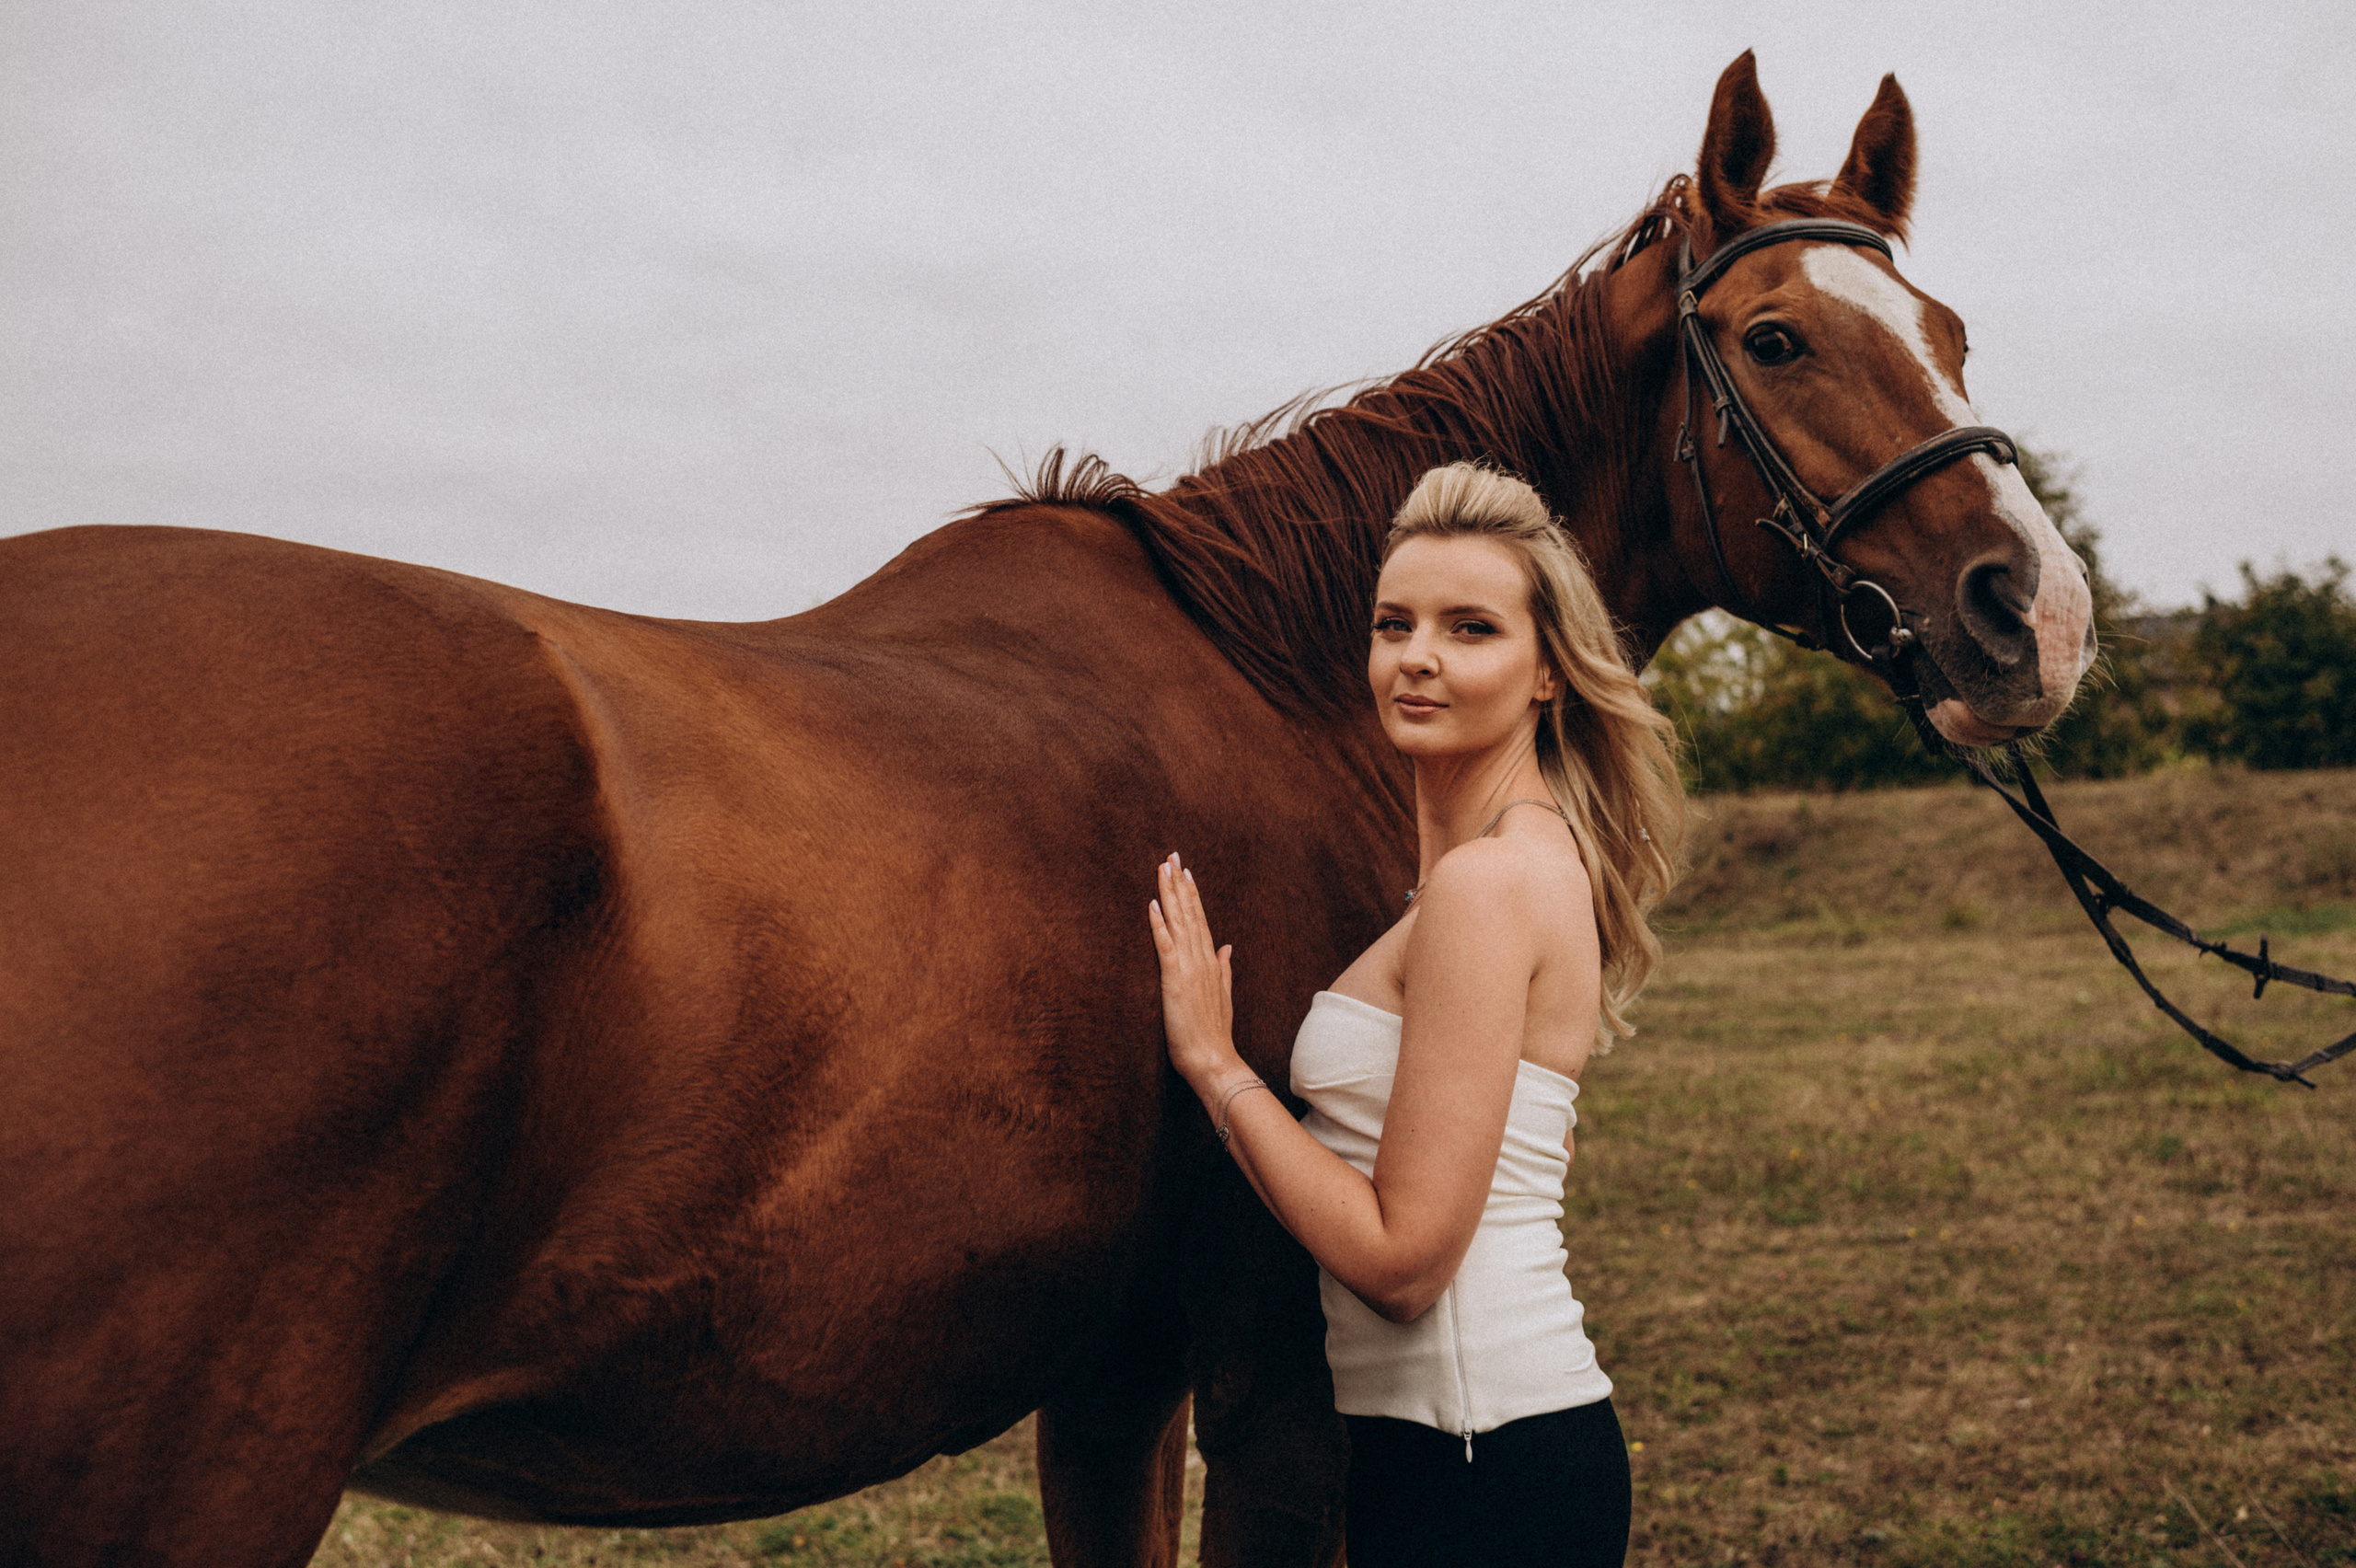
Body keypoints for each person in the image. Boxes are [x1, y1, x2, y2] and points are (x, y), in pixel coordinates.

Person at [1148, 461, 1686, 1567]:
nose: (1418, 657)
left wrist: (1218, 1070)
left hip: (1484, 1464)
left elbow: (1401, 1267)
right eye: (1395, 623)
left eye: (1470, 628)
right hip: (1451, 1454)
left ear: (1548, 674)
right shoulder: (1496, 870)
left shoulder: (1488, 887)